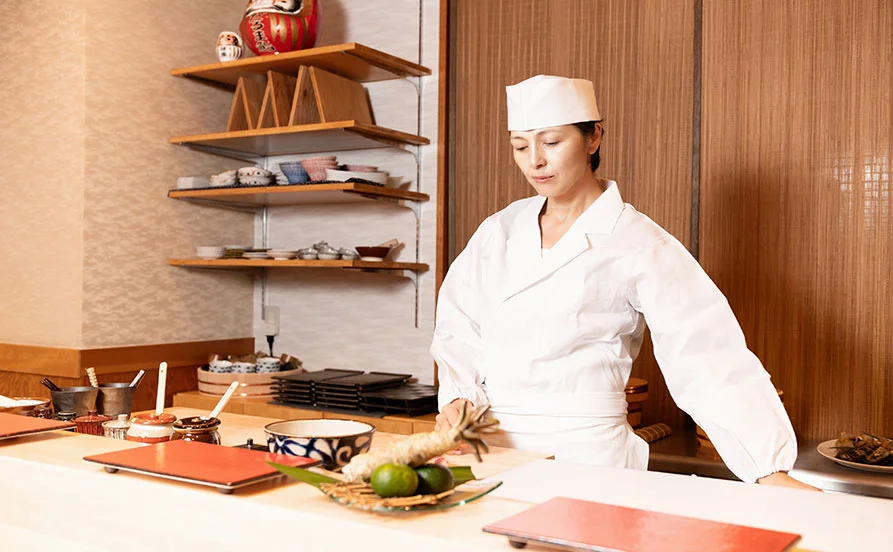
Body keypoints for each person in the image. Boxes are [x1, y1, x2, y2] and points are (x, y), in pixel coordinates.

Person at [431, 75, 815, 489]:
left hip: (586, 458)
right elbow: (459, 324)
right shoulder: (499, 231)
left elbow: (704, 352)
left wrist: (767, 467)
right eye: (520, 147)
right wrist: (458, 398)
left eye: (552, 143)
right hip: (489, 450)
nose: (534, 161)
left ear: (594, 137)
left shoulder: (638, 241)